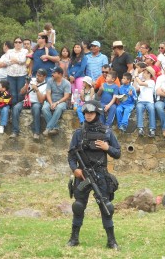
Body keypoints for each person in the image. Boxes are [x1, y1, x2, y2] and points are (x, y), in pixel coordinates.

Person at [67, 100, 121, 249]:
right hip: (83, 175)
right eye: (86, 113)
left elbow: (118, 153)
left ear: (97, 113)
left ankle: (111, 241)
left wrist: (107, 147)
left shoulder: (107, 132)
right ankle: (74, 238)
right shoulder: (78, 133)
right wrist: (75, 170)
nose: (88, 115)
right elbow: (71, 156)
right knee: (78, 206)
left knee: (106, 206)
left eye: (91, 113)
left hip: (101, 175)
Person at [10, 68, 48, 139]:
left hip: (36, 103)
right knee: (15, 108)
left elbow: (41, 101)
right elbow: (21, 92)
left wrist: (36, 89)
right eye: (37, 75)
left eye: (40, 76)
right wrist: (27, 84)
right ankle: (15, 131)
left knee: (36, 109)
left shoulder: (46, 86)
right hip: (27, 101)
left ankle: (36, 132)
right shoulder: (31, 80)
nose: (37, 77)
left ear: (44, 76)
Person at [42, 66, 71, 135]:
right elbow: (48, 93)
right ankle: (55, 127)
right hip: (51, 100)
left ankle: (48, 128)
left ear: (60, 74)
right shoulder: (50, 81)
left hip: (62, 102)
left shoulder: (67, 83)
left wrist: (57, 103)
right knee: (44, 108)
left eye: (54, 73)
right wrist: (51, 103)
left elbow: (66, 96)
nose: (52, 74)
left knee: (59, 108)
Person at [134, 66, 156, 137]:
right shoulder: (143, 81)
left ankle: (152, 129)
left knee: (151, 109)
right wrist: (135, 78)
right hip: (141, 101)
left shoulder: (152, 82)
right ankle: (140, 128)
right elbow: (136, 88)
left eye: (145, 72)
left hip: (149, 102)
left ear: (149, 74)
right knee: (139, 108)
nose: (143, 73)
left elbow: (140, 83)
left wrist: (136, 75)